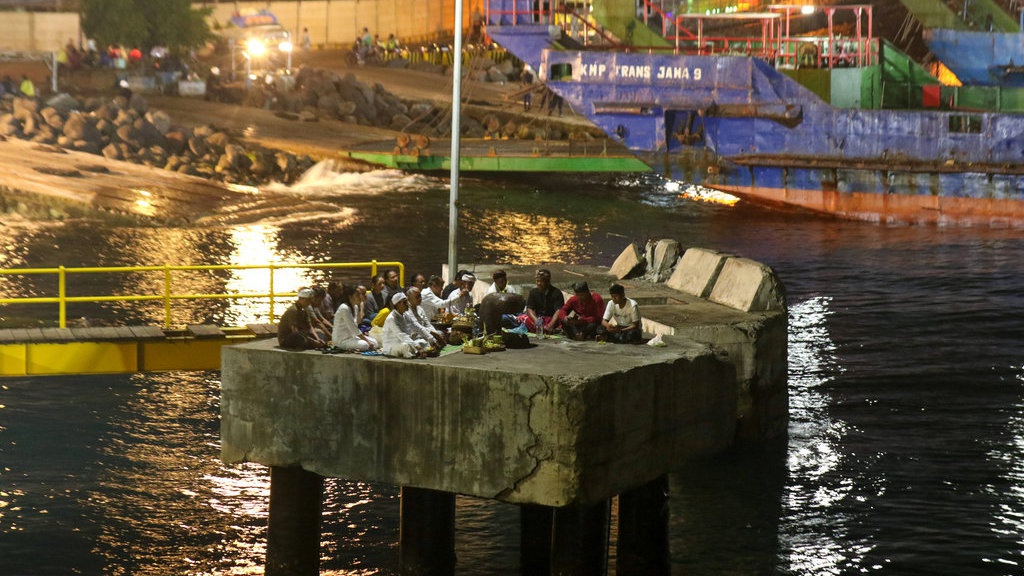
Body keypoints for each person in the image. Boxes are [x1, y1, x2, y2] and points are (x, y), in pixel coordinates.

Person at [331, 284, 379, 351]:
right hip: (341, 340)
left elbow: (359, 322)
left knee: (375, 342)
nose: (360, 297)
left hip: (352, 337)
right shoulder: (344, 308)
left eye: (360, 295)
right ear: (350, 297)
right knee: (365, 345)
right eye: (357, 295)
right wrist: (367, 341)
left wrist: (360, 307)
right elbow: (353, 328)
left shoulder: (355, 307)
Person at [382, 292, 430, 358]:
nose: (407, 304)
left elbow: (417, 327)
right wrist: (417, 347)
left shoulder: (406, 314)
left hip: (405, 341)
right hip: (391, 346)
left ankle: (416, 352)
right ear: (398, 304)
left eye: (407, 302)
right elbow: (401, 335)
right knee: (406, 346)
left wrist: (431, 339)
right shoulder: (391, 318)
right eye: (404, 302)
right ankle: (416, 352)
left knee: (422, 341)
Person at [518, 268, 564, 334]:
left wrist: (551, 325)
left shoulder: (556, 293)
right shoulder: (533, 292)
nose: (538, 283)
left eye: (541, 281)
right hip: (538, 320)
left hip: (551, 319)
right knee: (522, 318)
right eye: (537, 281)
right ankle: (544, 330)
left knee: (561, 322)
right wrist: (536, 321)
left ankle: (547, 329)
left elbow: (559, 311)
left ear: (548, 282)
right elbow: (529, 309)